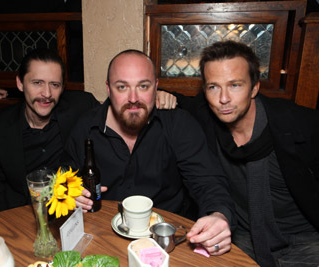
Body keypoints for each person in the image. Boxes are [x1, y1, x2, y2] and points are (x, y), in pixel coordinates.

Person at [65, 49, 236, 256]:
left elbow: (209, 182)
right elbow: (61, 181)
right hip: (100, 242)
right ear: (109, 89)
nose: (133, 98)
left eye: (143, 86)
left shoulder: (178, 124)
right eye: (122, 87)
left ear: (156, 87)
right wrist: (69, 196)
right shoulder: (85, 128)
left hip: (168, 244)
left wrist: (218, 215)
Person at [174, 40, 319, 266]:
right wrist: (158, 95)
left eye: (235, 85)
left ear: (254, 88)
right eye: (213, 87)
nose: (223, 99)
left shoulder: (298, 125)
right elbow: (173, 99)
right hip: (241, 237)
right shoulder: (206, 117)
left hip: (306, 241)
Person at [0, 48, 100, 216]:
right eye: (37, 83)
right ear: (20, 83)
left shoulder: (81, 107)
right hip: (22, 215)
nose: (47, 94)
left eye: (54, 85)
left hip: (74, 213)